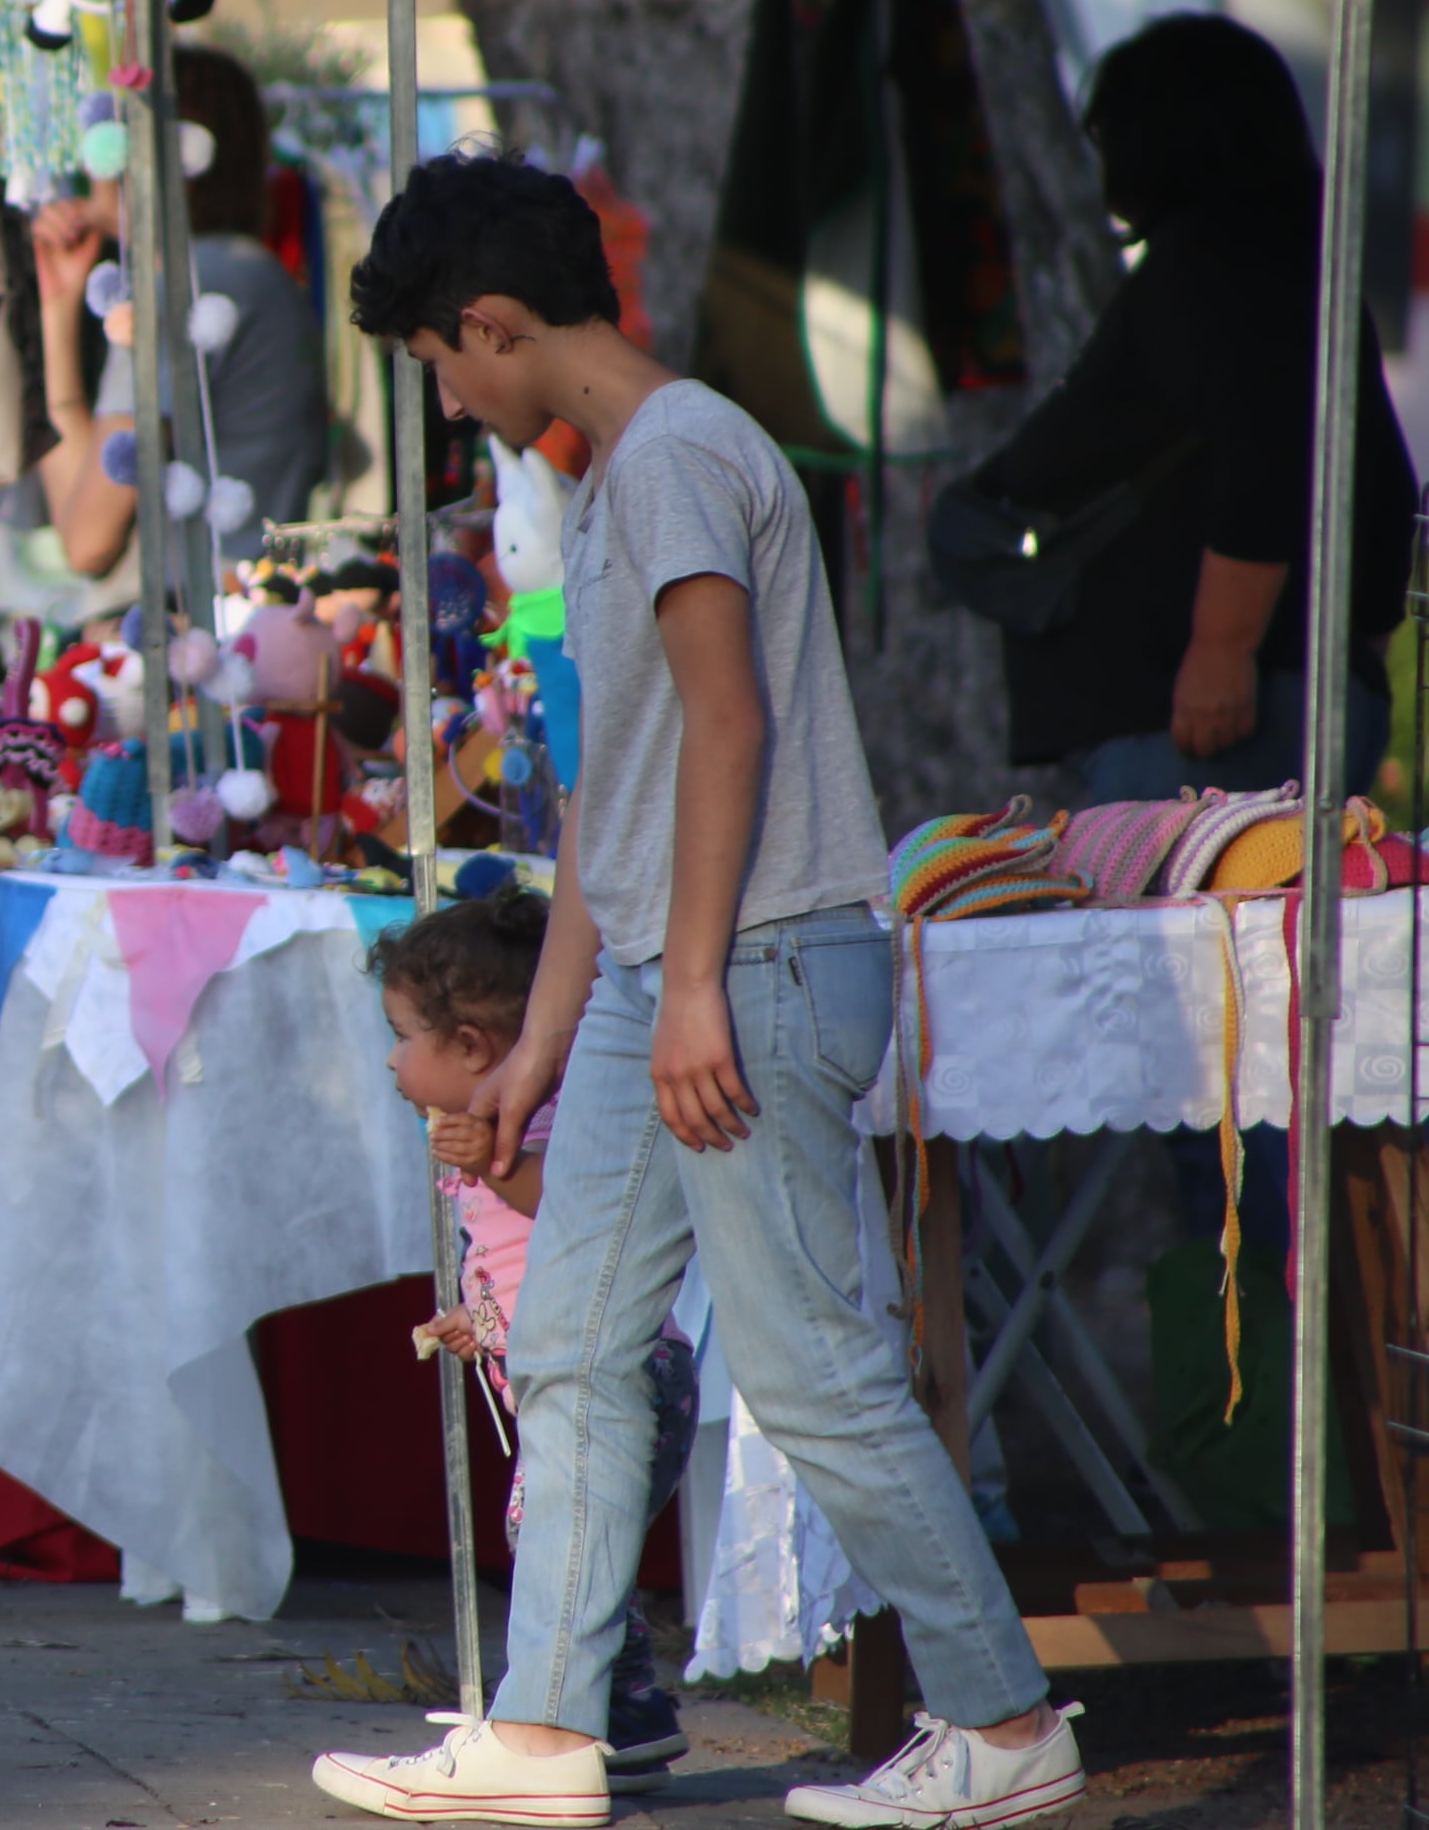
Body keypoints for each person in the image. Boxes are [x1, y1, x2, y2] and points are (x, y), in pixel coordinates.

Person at [311, 154, 1080, 1830]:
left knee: (810, 1373)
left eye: (444, 363)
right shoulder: (625, 476)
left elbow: (725, 725)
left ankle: (1000, 1719)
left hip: (745, 971)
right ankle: (538, 1734)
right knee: (575, 1344)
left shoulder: (667, 461)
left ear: (494, 323)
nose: (449, 397)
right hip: (675, 974)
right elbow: (613, 796)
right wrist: (545, 1033)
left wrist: (686, 995)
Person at [965, 13, 1415, 807]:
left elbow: (1266, 454)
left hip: (1206, 723)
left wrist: (1224, 650)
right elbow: (1381, 484)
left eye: (1110, 136)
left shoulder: (1226, 270)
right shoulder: (1296, 271)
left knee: (1193, 932)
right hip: (1265, 698)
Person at [376, 886, 690, 1790]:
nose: (393, 1061)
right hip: (565, 1365)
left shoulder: (540, 1122)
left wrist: (495, 1164)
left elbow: (574, 1220)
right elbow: (520, 1266)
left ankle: (593, 1709)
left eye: (403, 1037)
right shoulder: (495, 1127)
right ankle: (619, 1718)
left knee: (559, 1537)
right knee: (577, 1545)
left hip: (634, 1372)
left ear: (472, 1048)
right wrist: (481, 1320)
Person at [33, 47, 333, 578]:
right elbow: (83, 505)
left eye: (109, 134)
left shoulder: (189, 287)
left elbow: (86, 543)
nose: (93, 161)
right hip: (246, 611)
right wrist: (58, 306)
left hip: (206, 630)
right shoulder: (236, 270)